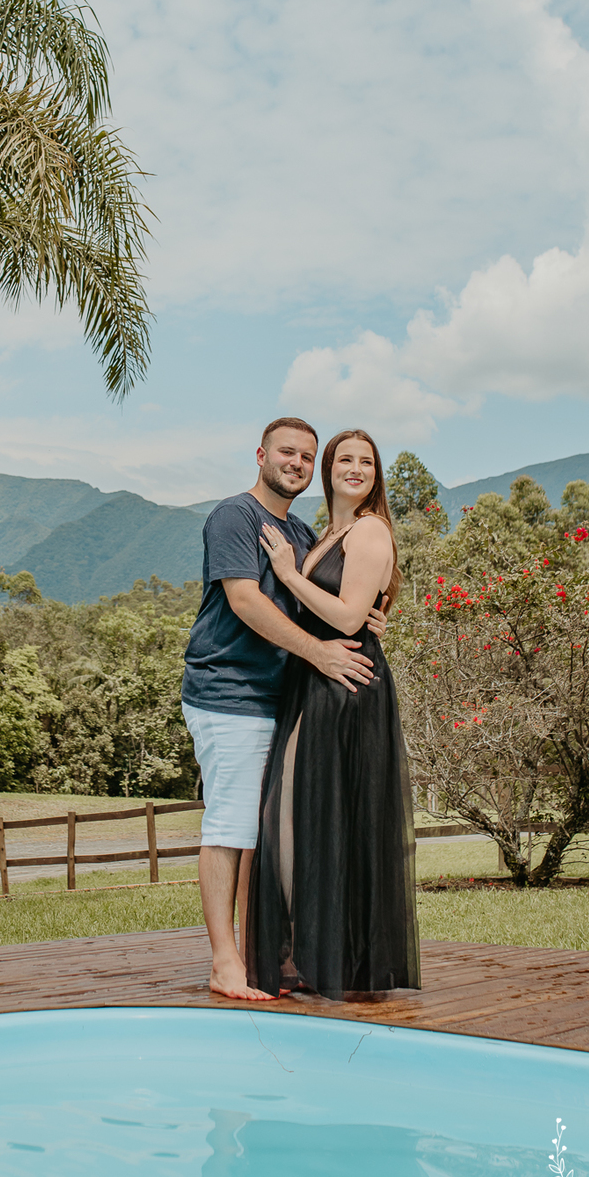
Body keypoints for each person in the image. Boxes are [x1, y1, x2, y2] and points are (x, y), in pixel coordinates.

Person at [181, 418, 386, 1000]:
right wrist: (320, 652)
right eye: (286, 452)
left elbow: (317, 598)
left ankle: (264, 958)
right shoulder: (235, 517)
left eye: (305, 456)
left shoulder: (297, 530)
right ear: (261, 455)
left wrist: (372, 615)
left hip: (284, 699)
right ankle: (225, 962)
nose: (295, 462)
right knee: (233, 827)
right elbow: (245, 601)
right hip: (230, 693)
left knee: (270, 834)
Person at [246, 427, 421, 1000]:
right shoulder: (332, 531)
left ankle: (329, 958)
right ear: (329, 470)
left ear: (376, 474)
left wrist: (292, 574)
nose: (355, 468)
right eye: (344, 459)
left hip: (345, 684)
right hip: (315, 682)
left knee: (317, 817)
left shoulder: (369, 528)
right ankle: (310, 952)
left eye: (365, 461)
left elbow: (347, 619)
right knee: (303, 815)